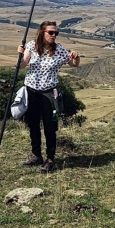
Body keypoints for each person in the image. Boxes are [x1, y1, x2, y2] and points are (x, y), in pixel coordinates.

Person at [18, 21, 80, 173]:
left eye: (56, 33)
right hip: (31, 91)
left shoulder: (59, 50)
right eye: (50, 32)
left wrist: (76, 57)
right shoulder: (32, 46)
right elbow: (22, 65)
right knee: (33, 124)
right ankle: (35, 155)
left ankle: (50, 159)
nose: (54, 35)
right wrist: (20, 54)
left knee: (49, 127)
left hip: (50, 93)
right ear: (42, 32)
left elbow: (73, 64)